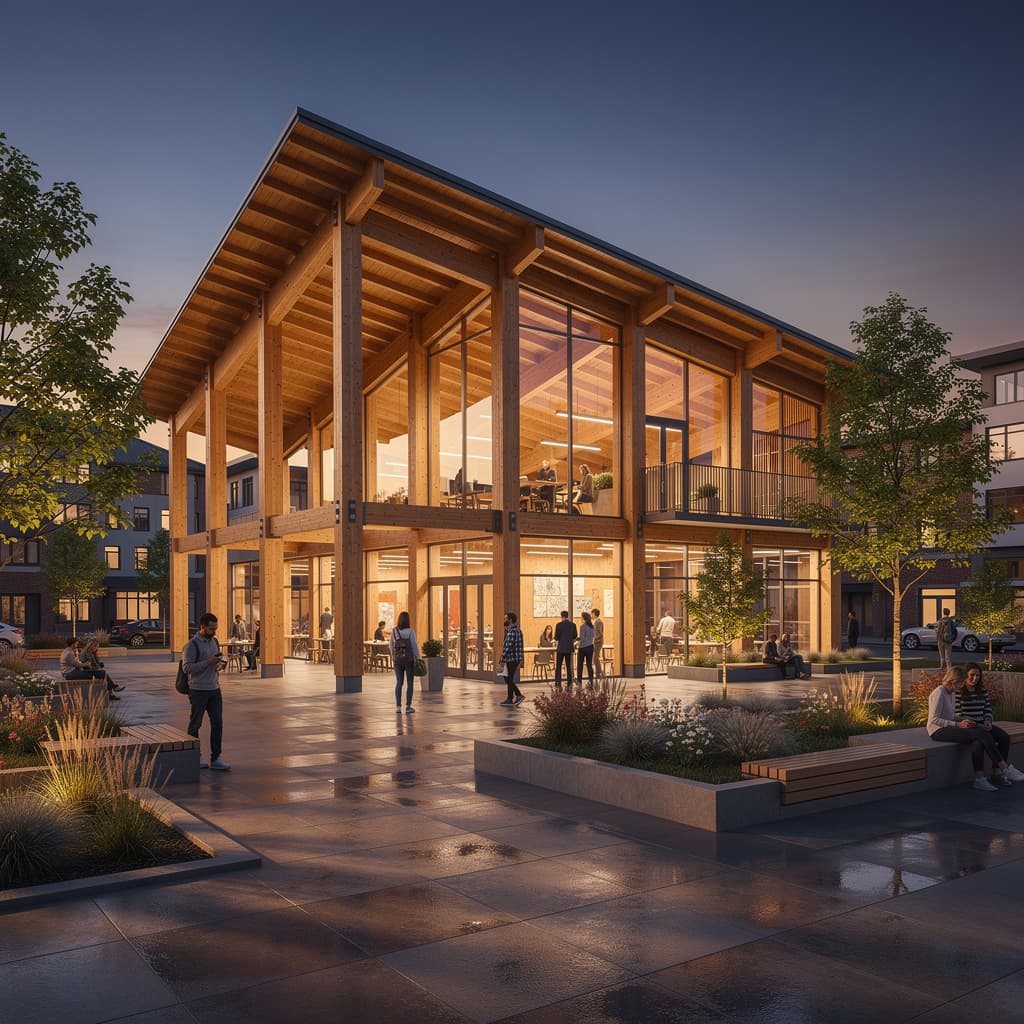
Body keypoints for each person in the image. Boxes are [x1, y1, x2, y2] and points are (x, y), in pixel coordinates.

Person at [928, 666, 1019, 791]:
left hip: (949, 725)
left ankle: (980, 779)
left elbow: (950, 716)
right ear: (954, 681)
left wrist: (964, 720)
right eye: (961, 683)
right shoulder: (939, 693)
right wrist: (958, 725)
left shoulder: (951, 693)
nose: (962, 685)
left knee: (978, 739)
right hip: (937, 731)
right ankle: (1004, 768)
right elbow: (933, 719)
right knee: (980, 733)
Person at [957, 663, 1024, 786]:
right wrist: (977, 724)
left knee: (1004, 737)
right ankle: (1001, 770)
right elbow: (957, 714)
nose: (975, 678)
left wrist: (988, 720)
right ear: (965, 675)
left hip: (983, 723)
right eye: (972, 675)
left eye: (978, 675)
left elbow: (987, 708)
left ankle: (997, 773)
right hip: (968, 726)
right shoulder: (958, 691)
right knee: (980, 741)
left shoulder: (982, 690)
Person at [182, 614, 230, 770]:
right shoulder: (192, 645)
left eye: (215, 628)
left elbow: (214, 665)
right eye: (211, 629)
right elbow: (187, 668)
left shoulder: (214, 642)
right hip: (198, 690)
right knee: (195, 724)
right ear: (202, 627)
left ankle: (216, 758)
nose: (214, 632)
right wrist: (208, 662)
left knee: (217, 723)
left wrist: (219, 665)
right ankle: (195, 755)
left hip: (214, 688)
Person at [390, 610, 420, 713]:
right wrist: (418, 658)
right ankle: (408, 706)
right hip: (408, 660)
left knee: (399, 682)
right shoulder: (410, 631)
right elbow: (414, 645)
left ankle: (398, 707)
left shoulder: (394, 631)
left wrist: (393, 657)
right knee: (410, 682)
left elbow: (391, 646)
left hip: (397, 661)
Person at [498, 610, 525, 706]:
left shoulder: (512, 632)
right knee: (509, 678)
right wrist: (521, 659)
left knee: (507, 678)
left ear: (510, 620)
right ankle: (509, 699)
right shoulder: (518, 630)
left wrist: (502, 658)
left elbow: (508, 647)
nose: (504, 620)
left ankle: (518, 694)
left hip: (511, 659)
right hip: (515, 659)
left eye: (506, 618)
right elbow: (520, 647)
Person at [553, 609, 577, 691]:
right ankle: (569, 682)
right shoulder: (573, 625)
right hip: (569, 648)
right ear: (567, 616)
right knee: (568, 666)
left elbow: (556, 637)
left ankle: (558, 682)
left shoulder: (558, 625)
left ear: (562, 617)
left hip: (561, 648)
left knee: (558, 666)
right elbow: (575, 636)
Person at [577, 610, 596, 688]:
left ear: (584, 618)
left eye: (581, 618)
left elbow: (582, 638)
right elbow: (593, 636)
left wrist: (577, 643)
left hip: (583, 648)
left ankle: (579, 681)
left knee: (580, 665)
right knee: (589, 664)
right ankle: (591, 680)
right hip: (590, 647)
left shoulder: (582, 626)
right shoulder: (592, 626)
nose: (580, 619)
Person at [591, 607, 605, 677]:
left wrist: (594, 638)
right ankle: (599, 673)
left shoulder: (599, 622)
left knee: (595, 658)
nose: (591, 615)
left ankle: (600, 673)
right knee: (595, 658)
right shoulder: (596, 621)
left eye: (592, 614)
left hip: (598, 642)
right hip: (596, 642)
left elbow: (600, 633)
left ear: (594, 614)